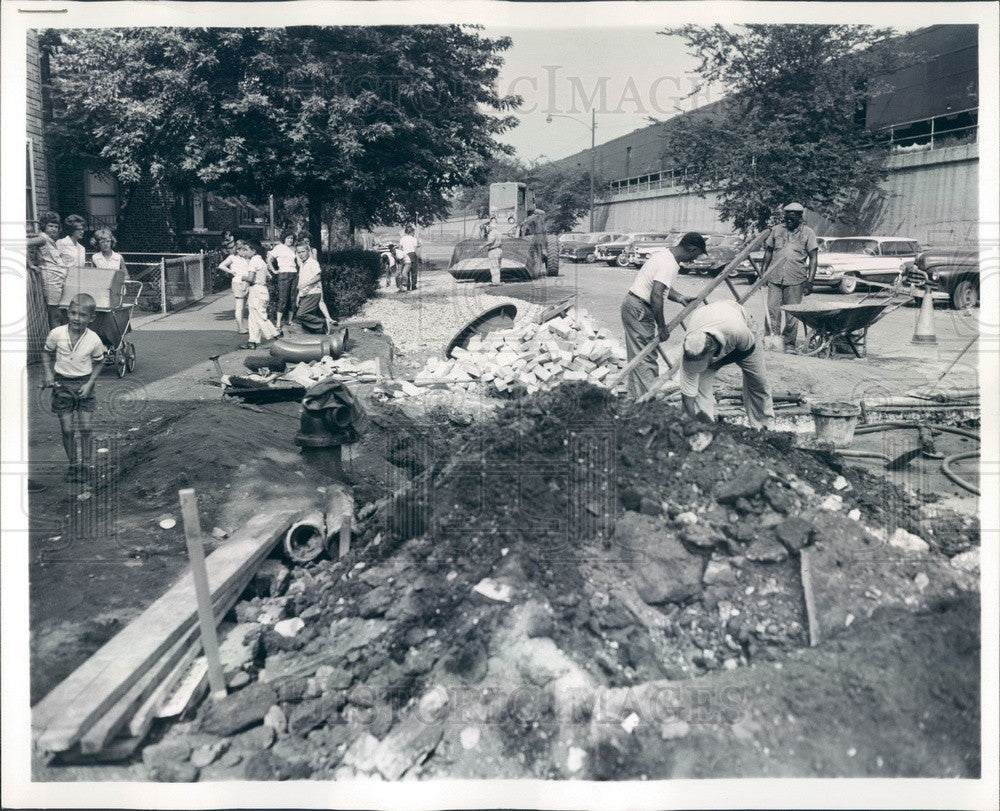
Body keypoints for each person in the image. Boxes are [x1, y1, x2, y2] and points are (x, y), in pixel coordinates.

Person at [620, 232, 706, 398]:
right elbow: (656, 295)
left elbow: (662, 287)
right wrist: (662, 327)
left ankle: (636, 396)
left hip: (632, 303)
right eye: (697, 254)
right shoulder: (669, 264)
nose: (694, 260)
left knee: (638, 355)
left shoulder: (664, 255)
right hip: (639, 308)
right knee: (646, 357)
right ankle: (647, 401)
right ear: (692, 249)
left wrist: (680, 297)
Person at [679, 299, 774, 429]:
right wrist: (690, 424)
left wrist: (720, 362)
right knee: (700, 385)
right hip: (710, 321)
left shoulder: (736, 330)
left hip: (745, 333)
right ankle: (705, 427)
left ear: (712, 352)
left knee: (758, 382)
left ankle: (764, 427)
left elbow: (748, 349)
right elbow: (687, 397)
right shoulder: (690, 347)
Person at [41, 293, 106, 482]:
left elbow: (99, 363)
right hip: (62, 385)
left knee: (86, 427)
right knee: (67, 429)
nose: (77, 318)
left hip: (84, 385)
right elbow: (46, 353)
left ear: (91, 318)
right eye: (73, 313)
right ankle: (73, 465)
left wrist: (89, 384)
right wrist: (48, 374)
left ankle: (86, 465)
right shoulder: (57, 334)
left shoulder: (93, 339)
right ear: (67, 313)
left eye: (83, 315)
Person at [760, 202, 819, 352]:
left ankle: (789, 344)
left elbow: (813, 257)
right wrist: (763, 272)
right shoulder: (776, 230)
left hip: (796, 278)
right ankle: (771, 340)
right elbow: (768, 251)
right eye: (787, 217)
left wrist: (810, 281)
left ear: (800, 217)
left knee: (792, 314)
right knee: (772, 309)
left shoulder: (808, 233)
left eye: (793, 217)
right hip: (775, 277)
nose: (789, 220)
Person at [27, 212, 68, 329]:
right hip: (51, 280)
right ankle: (54, 341)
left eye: (56, 227)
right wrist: (31, 265)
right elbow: (24, 243)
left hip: (58, 278)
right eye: (51, 226)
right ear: (44, 226)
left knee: (59, 312)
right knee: (54, 314)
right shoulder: (43, 238)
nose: (54, 229)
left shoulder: (50, 240)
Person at [242, 240, 279, 349]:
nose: (245, 252)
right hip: (262, 289)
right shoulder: (262, 262)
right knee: (253, 317)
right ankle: (252, 341)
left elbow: (250, 278)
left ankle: (276, 335)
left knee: (260, 316)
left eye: (246, 250)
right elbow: (269, 277)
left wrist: (242, 277)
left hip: (256, 291)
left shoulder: (253, 261)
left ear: (253, 251)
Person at [293, 240, 336, 334]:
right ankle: (314, 332)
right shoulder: (302, 265)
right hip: (304, 294)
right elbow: (301, 282)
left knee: (301, 314)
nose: (301, 254)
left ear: (308, 251)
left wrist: (306, 284)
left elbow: (318, 277)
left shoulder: (312, 263)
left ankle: (323, 322)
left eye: (303, 252)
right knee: (303, 318)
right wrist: (298, 296)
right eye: (298, 252)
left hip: (313, 293)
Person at [267, 230, 299, 330]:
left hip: (294, 274)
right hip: (283, 274)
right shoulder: (279, 248)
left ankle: (290, 321)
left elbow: (299, 261)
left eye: (292, 238)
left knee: (293, 299)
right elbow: (269, 260)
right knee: (283, 299)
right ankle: (278, 323)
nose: (290, 240)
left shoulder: (294, 249)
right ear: (284, 238)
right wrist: (274, 271)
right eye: (288, 238)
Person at [218, 242, 250, 334]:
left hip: (246, 282)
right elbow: (221, 265)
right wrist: (232, 272)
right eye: (243, 250)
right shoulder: (232, 257)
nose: (244, 252)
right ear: (238, 250)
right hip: (238, 282)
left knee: (243, 306)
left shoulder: (244, 259)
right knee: (239, 306)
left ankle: (242, 326)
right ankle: (240, 327)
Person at [398, 225, 420, 292]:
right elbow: (415, 249)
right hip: (412, 254)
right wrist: (419, 257)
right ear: (411, 232)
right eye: (413, 232)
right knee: (414, 271)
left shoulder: (402, 239)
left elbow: (400, 248)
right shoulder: (413, 239)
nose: (414, 234)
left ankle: (407, 285)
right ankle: (413, 285)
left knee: (406, 271)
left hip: (405, 254)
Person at [485, 217, 503, 286]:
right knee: (498, 267)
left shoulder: (492, 233)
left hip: (493, 250)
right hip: (499, 250)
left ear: (491, 227)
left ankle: (495, 282)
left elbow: (490, 242)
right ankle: (497, 281)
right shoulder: (499, 233)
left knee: (493, 267)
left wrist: (482, 245)